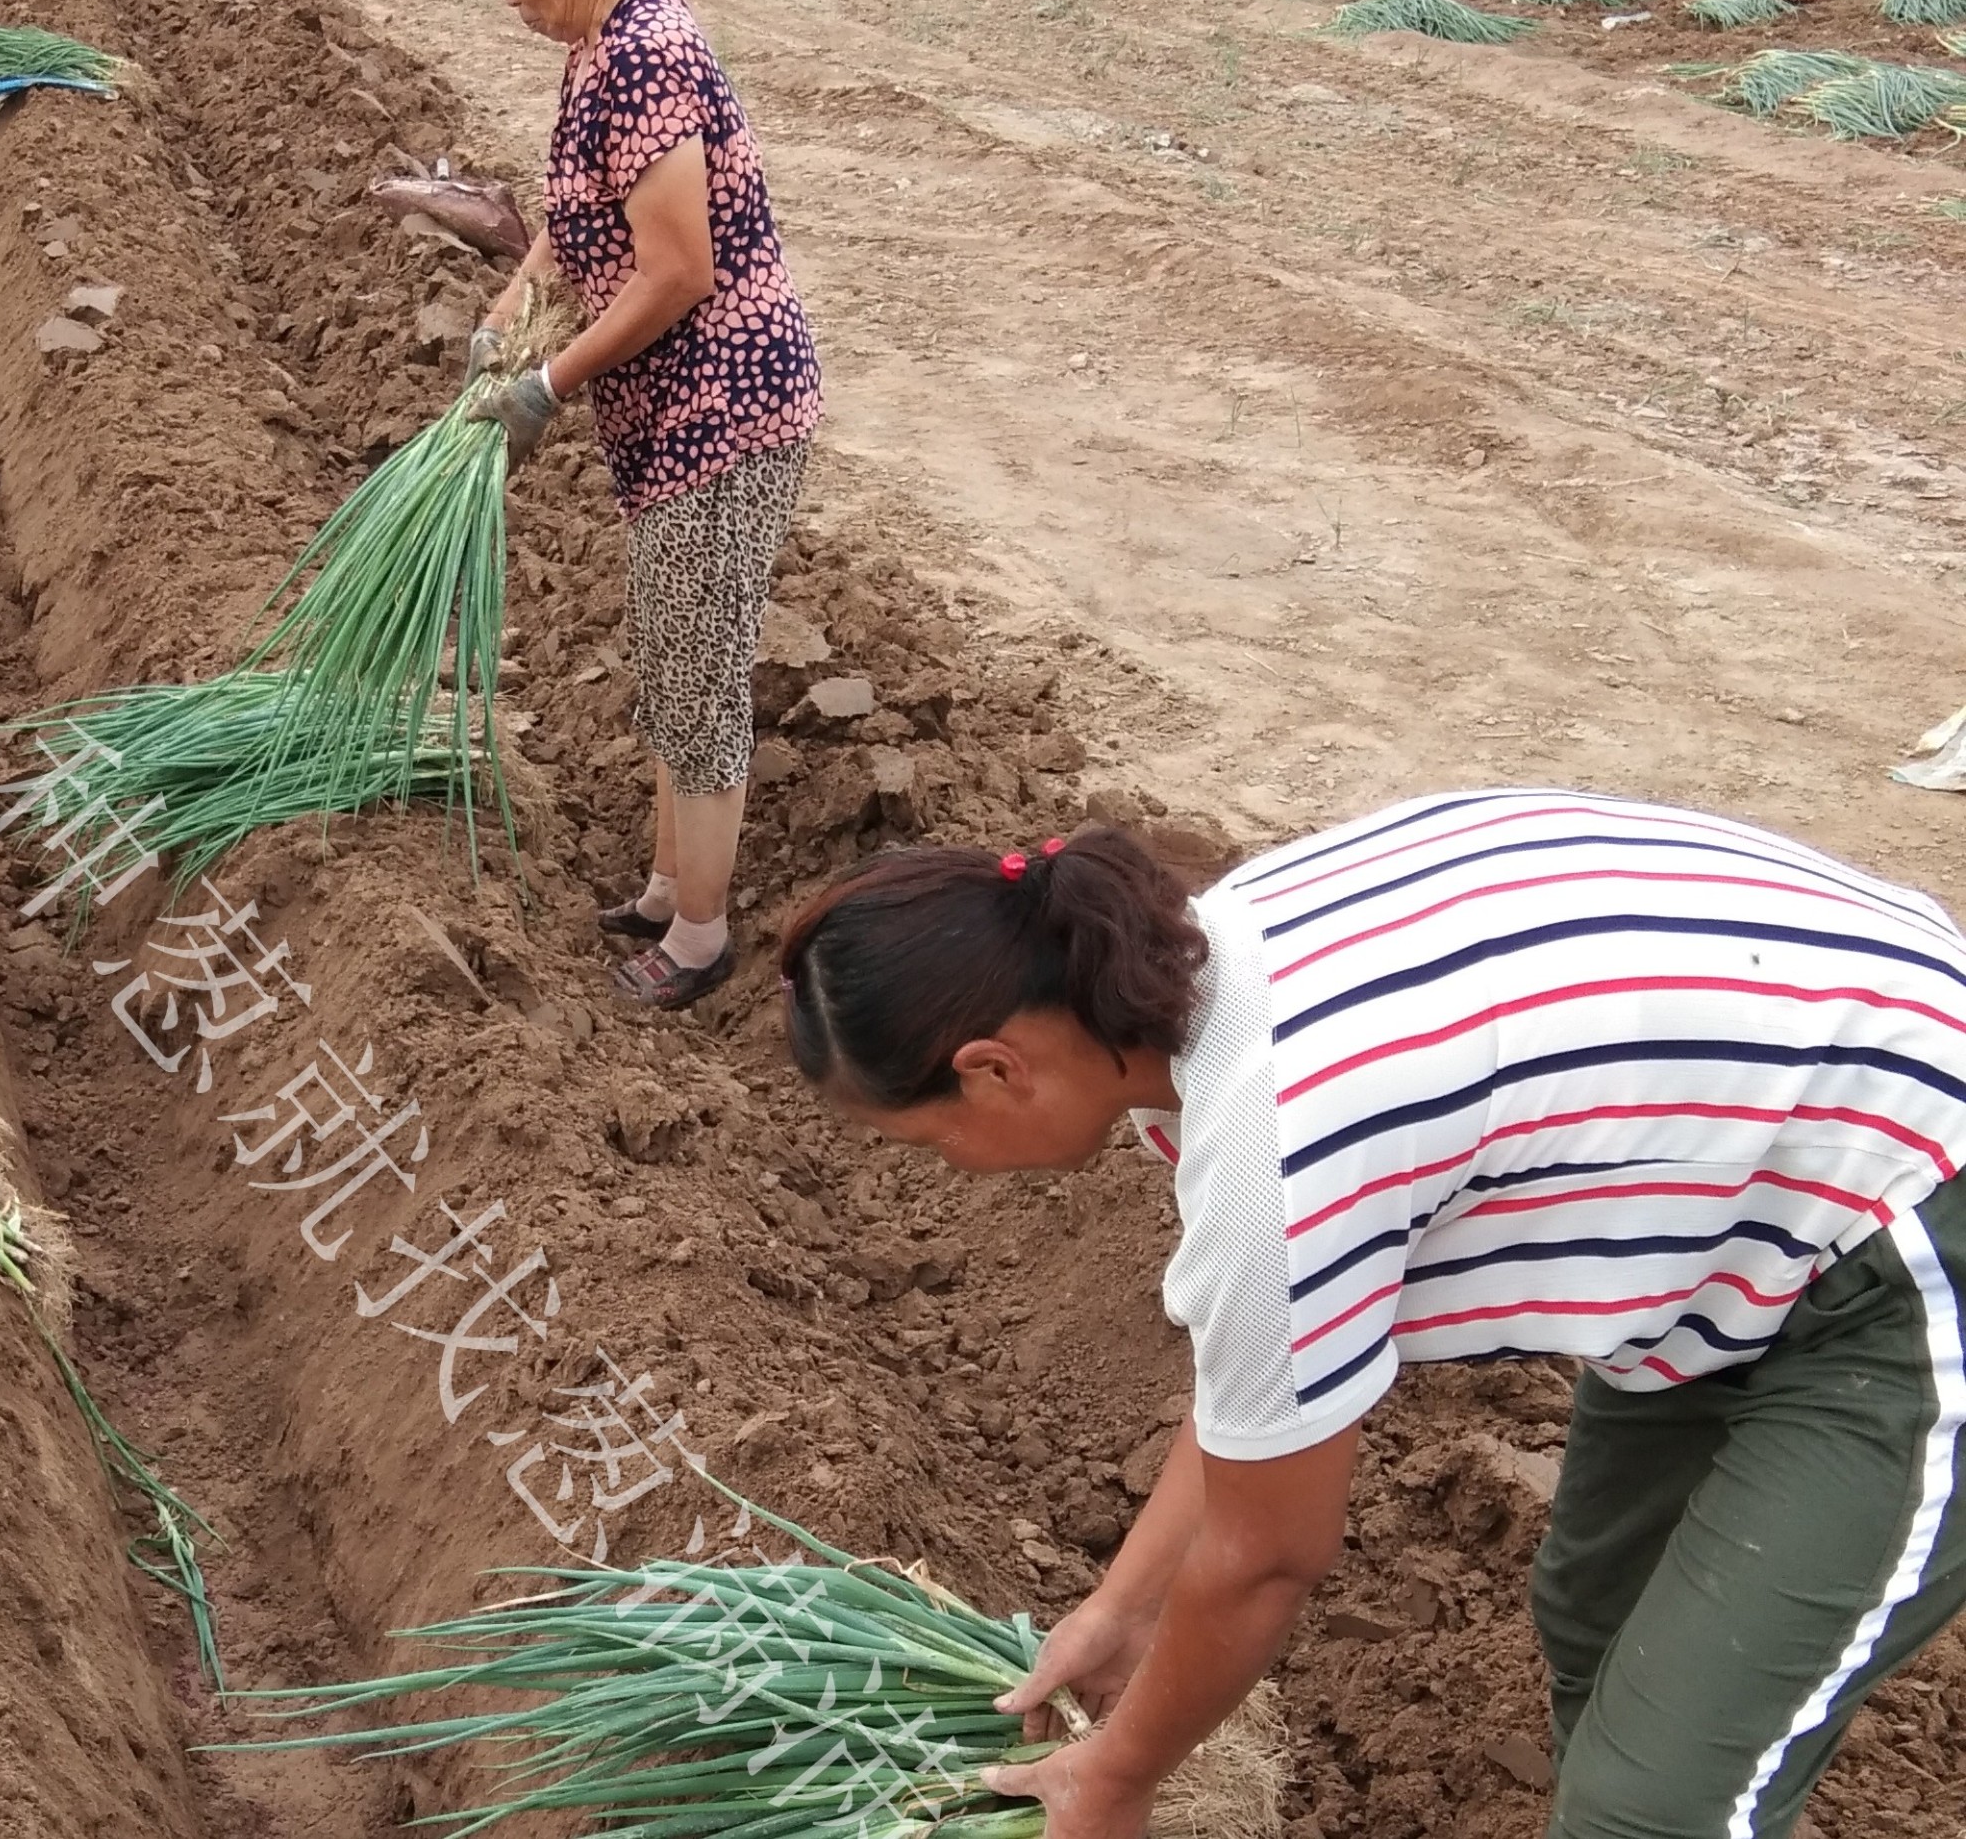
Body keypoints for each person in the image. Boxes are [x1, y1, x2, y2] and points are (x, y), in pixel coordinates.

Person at [778, 788, 1966, 1839]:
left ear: (994, 1067)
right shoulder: (1196, 969)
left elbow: (1265, 1557)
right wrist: (1122, 1604)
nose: (952, 1171)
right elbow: (1264, 1397)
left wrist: (1118, 1775)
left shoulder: (1279, 1136)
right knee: (1596, 1621)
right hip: (1762, 1190)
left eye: (929, 1141)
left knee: (1654, 1809)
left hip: (1912, 1212)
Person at [459, 0, 821, 1012]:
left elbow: (676, 272)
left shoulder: (648, 52)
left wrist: (545, 387)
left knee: (702, 673)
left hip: (725, 410)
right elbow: (577, 223)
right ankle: (670, 887)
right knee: (670, 656)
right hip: (669, 419)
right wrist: (507, 316)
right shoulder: (598, 50)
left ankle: (703, 939)